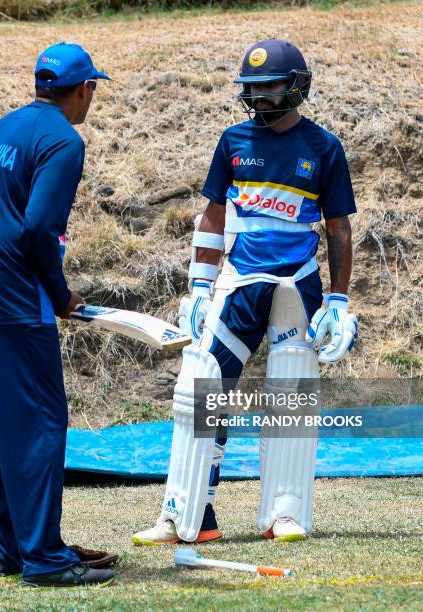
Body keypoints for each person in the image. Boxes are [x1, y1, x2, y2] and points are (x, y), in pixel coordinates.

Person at [133, 39, 358, 546]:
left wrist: (340, 301)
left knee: (292, 392)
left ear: (297, 87)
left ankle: (283, 514)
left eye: (270, 86)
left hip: (296, 283)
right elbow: (213, 217)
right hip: (238, 280)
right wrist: (197, 286)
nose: (258, 96)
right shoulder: (233, 141)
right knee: (200, 381)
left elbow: (339, 229)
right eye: (251, 88)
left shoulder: (323, 148)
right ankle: (184, 515)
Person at [0, 42, 117, 587]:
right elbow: (40, 227)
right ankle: (43, 557)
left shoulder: (4, 128)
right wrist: (61, 293)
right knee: (39, 425)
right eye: (93, 89)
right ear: (84, 89)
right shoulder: (63, 140)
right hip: (13, 295)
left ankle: (12, 549)